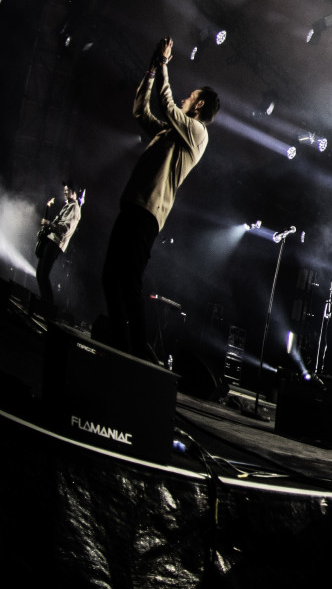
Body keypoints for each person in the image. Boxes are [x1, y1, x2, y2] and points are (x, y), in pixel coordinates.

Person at [101, 37, 218, 364]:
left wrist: (165, 63)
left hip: (148, 212)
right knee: (110, 276)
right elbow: (142, 111)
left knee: (129, 281)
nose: (184, 97)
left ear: (199, 105)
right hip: (133, 204)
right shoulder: (169, 133)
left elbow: (167, 105)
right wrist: (151, 73)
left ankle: (138, 356)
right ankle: (122, 348)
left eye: (190, 96)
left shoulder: (197, 133)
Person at [35, 182, 83, 311]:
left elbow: (65, 229)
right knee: (40, 274)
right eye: (65, 189)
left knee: (43, 274)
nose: (65, 192)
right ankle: (46, 305)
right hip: (52, 241)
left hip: (55, 243)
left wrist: (49, 224)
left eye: (68, 190)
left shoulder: (74, 208)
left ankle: (48, 308)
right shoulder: (68, 206)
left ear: (74, 192)